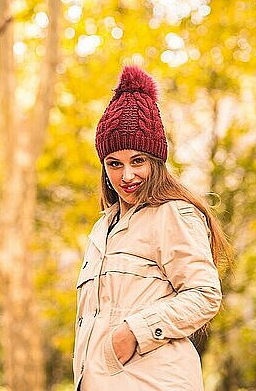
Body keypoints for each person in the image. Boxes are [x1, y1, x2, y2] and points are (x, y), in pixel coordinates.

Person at [73, 65, 231, 391]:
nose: (126, 175)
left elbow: (204, 294)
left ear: (156, 162)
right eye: (114, 163)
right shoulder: (104, 227)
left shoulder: (172, 214)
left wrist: (134, 331)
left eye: (137, 161)